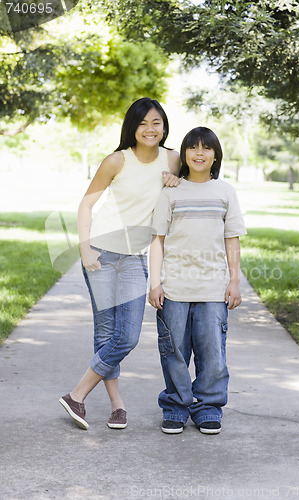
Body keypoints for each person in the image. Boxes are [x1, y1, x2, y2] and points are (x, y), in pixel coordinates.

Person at [60, 97, 180, 430]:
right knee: (106, 334)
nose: (150, 129)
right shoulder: (116, 161)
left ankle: (76, 395)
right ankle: (117, 405)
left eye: (156, 123)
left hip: (135, 258)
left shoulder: (174, 159)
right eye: (143, 123)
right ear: (133, 127)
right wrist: (85, 249)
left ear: (164, 127)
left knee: (126, 337)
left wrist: (178, 181)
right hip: (101, 251)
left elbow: (197, 183)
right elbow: (86, 206)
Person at [149, 126, 247, 434]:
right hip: (175, 286)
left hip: (213, 288)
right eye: (193, 148)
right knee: (174, 351)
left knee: (212, 352)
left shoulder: (225, 192)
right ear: (185, 154)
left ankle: (207, 407)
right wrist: (155, 282)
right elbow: (158, 241)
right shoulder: (171, 192)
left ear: (216, 155)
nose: (200, 153)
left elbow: (232, 239)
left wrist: (234, 282)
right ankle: (177, 406)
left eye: (207, 148)